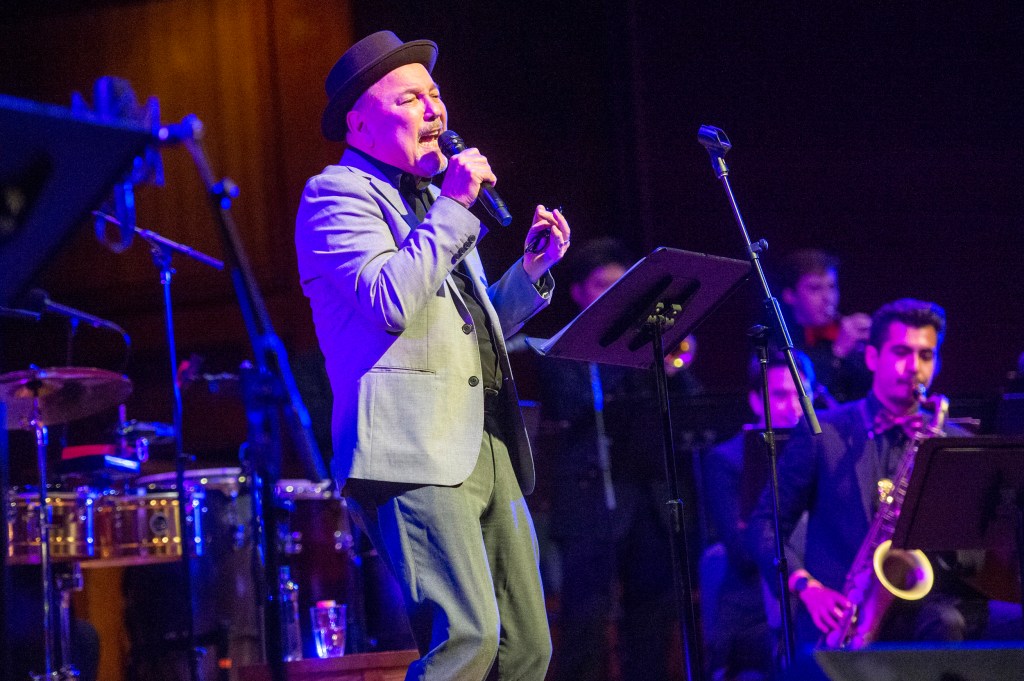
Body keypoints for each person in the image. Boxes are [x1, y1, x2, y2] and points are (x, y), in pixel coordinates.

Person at [294, 30, 568, 681]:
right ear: (359, 120)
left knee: (528, 646)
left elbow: (466, 327)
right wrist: (452, 205)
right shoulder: (335, 195)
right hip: (410, 446)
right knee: (466, 638)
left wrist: (530, 272)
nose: (434, 110)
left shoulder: (434, 201)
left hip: (485, 437)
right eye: (411, 97)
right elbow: (390, 299)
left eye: (436, 95)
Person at [747, 299, 990, 658]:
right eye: (901, 352)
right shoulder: (824, 432)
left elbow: (975, 556)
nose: (914, 367)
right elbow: (766, 524)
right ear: (874, 358)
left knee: (948, 622)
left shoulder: (952, 444)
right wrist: (806, 587)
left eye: (926, 355)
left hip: (926, 611)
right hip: (839, 612)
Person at [536, 237, 699, 681]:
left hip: (649, 499)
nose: (613, 291)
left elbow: (689, 406)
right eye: (601, 284)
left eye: (621, 283)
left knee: (651, 618)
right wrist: (624, 361)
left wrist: (671, 370)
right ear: (578, 293)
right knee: (585, 620)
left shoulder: (651, 340)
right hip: (592, 499)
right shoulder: (563, 346)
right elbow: (571, 406)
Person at [702, 349, 812, 681]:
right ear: (754, 401)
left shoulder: (822, 449)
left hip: (811, 601)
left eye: (800, 396)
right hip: (752, 609)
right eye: (780, 395)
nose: (793, 407)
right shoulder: (728, 460)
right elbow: (741, 550)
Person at [773, 248, 872, 404]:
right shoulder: (778, 344)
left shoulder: (847, 332)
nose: (828, 298)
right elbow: (805, 394)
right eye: (815, 288)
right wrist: (838, 353)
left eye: (832, 287)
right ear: (789, 295)